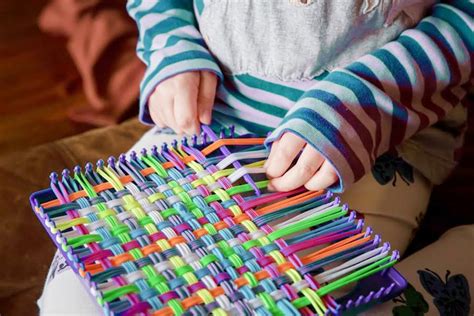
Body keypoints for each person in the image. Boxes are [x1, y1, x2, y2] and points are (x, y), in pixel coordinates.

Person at [38, 0, 473, 314]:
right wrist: (173, 50)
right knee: (72, 299)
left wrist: (360, 102)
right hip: (206, 122)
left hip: (370, 142)